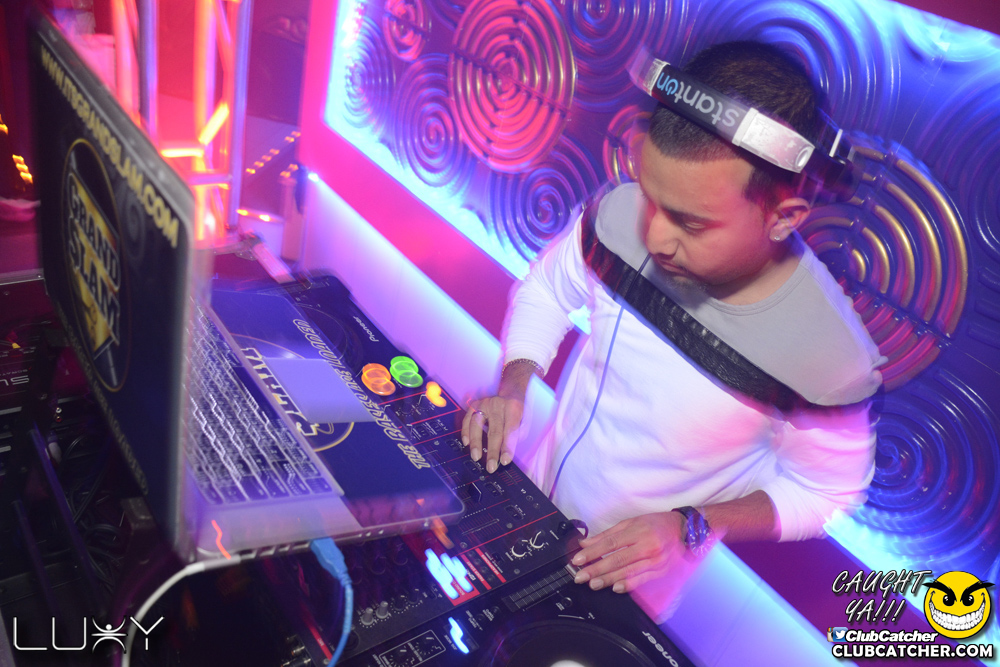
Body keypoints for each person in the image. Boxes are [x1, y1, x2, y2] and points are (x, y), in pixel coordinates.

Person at [460, 40, 883, 622]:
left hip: (626, 598)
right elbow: (548, 291)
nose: (655, 238)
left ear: (782, 217)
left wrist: (693, 526)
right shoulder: (619, 213)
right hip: (529, 512)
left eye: (690, 222)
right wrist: (514, 384)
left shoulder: (830, 358)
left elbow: (826, 492)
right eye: (651, 197)